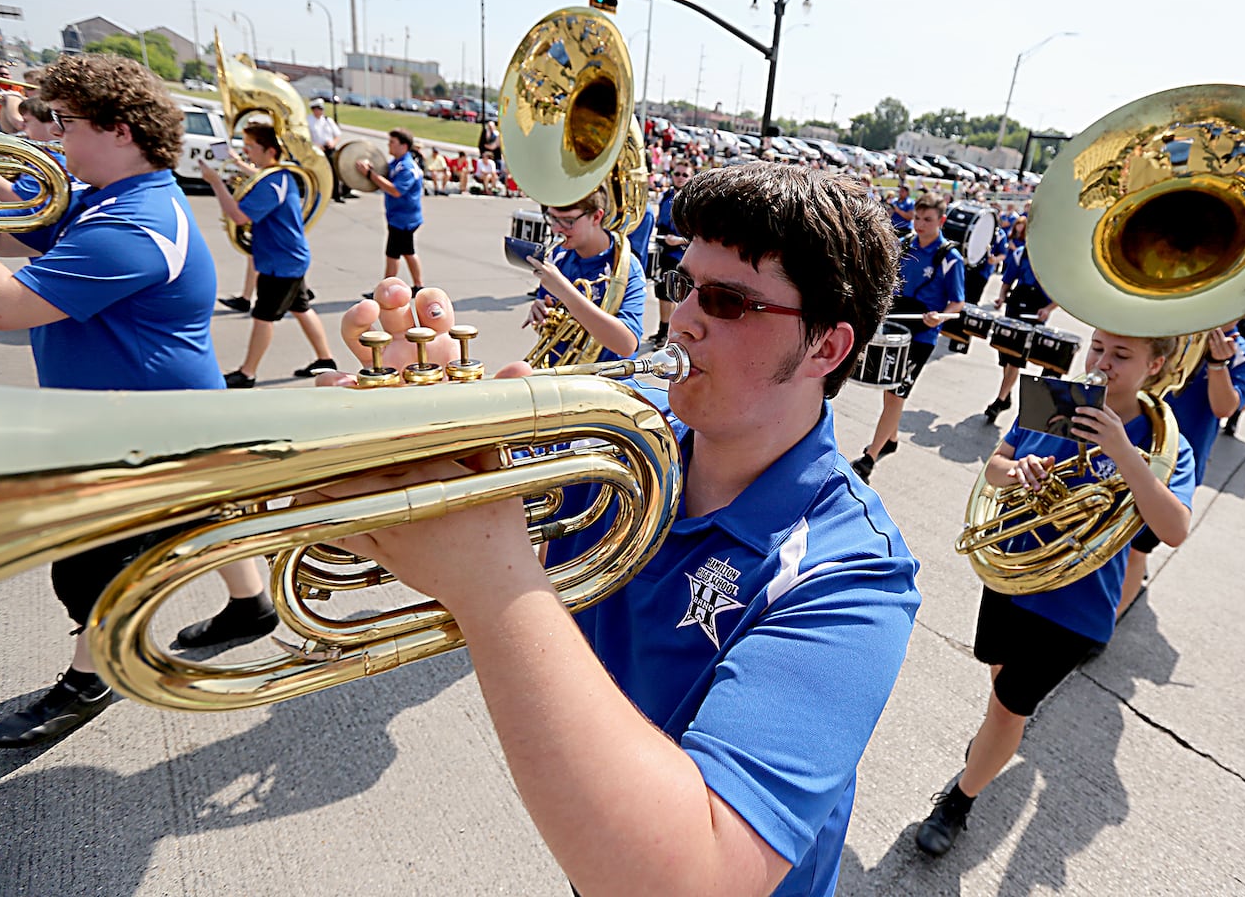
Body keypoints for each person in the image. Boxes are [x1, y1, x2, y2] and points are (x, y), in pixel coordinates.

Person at [313, 163, 918, 897]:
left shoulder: (855, 573)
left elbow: (704, 875)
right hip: (604, 847)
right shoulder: (615, 419)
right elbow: (451, 511)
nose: (685, 318)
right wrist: (401, 449)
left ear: (825, 349)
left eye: (727, 301)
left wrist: (492, 581)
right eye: (682, 283)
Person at [0, 55, 277, 749]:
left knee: (92, 567)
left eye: (65, 124)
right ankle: (253, 607)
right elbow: (9, 235)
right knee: (215, 517)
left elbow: (3, 305)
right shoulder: (104, 195)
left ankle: (91, 680)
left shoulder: (135, 226)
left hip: (147, 435)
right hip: (153, 418)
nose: (54, 138)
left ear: (119, 130)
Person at [915, 330, 1195, 859]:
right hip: (1011, 581)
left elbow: (1174, 528)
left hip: (1076, 607)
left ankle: (958, 800)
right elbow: (995, 467)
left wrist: (1122, 452)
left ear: (1155, 363)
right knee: (1001, 687)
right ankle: (997, 744)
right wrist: (1017, 471)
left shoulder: (1162, 443)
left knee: (1006, 710)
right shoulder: (1054, 401)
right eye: (1097, 348)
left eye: (1121, 355)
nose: (1102, 363)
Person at [1118, 324, 1245, 617]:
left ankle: (1108, 622)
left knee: (1136, 549)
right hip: (1123, 443)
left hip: (1174, 463)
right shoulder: (1167, 335)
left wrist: (1218, 365)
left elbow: (1224, 409)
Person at [200, 123, 338, 387]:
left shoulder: (270, 183)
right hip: (290, 258)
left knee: (263, 317)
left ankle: (247, 373)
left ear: (269, 150)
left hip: (280, 264)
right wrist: (239, 164)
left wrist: (216, 183)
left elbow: (240, 217)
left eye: (250, 147)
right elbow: (259, 178)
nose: (247, 151)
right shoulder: (280, 175)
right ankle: (325, 360)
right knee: (301, 308)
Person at [852, 194, 965, 482]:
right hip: (896, 327)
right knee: (891, 391)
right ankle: (890, 440)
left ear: (941, 221)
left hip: (922, 336)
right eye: (917, 218)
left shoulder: (949, 257)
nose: (920, 224)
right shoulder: (904, 246)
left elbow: (958, 303)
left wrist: (940, 316)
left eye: (927, 219)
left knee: (895, 393)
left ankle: (869, 457)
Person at [523, 184, 645, 365]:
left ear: (596, 216)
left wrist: (565, 291)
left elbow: (627, 344)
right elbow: (552, 313)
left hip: (606, 379)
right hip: (560, 370)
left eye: (568, 221)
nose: (556, 229)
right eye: (553, 219)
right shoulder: (558, 256)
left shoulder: (626, 268)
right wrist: (543, 311)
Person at [984, 215, 1057, 422]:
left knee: (1016, 359)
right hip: (1016, 306)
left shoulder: (1053, 261)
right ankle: (1005, 396)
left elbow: (1061, 295)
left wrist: (1048, 309)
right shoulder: (1019, 254)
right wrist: (1000, 297)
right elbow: (1008, 280)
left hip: (1035, 311)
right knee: (1007, 357)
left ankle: (999, 400)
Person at [355, 127, 425, 295]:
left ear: (404, 146)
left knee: (392, 254)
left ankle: (384, 291)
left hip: (403, 219)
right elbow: (384, 174)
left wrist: (370, 174)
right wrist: (372, 170)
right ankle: (418, 286)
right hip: (402, 216)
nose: (389, 145)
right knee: (408, 251)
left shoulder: (406, 168)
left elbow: (395, 190)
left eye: (392, 142)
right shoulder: (397, 163)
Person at [649, 157, 693, 346]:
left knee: (674, 295)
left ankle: (670, 335)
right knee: (661, 292)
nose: (680, 177)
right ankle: (661, 330)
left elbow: (696, 236)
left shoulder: (691, 201)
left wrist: (678, 240)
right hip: (664, 252)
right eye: (677, 173)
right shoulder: (666, 195)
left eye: (685, 174)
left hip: (681, 254)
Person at [307, 97, 348, 202]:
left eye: (321, 109)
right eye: (317, 109)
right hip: (317, 149)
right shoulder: (309, 120)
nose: (320, 111)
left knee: (334, 171)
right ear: (313, 109)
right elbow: (306, 137)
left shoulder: (327, 120)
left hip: (329, 148)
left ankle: (336, 194)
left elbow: (337, 134)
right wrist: (315, 145)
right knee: (318, 172)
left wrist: (333, 142)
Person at [0, 62, 25, 135]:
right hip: (0, 119)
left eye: (6, 74)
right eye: (1, 74)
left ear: (10, 75)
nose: (4, 76)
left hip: (15, 119)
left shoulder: (18, 87)